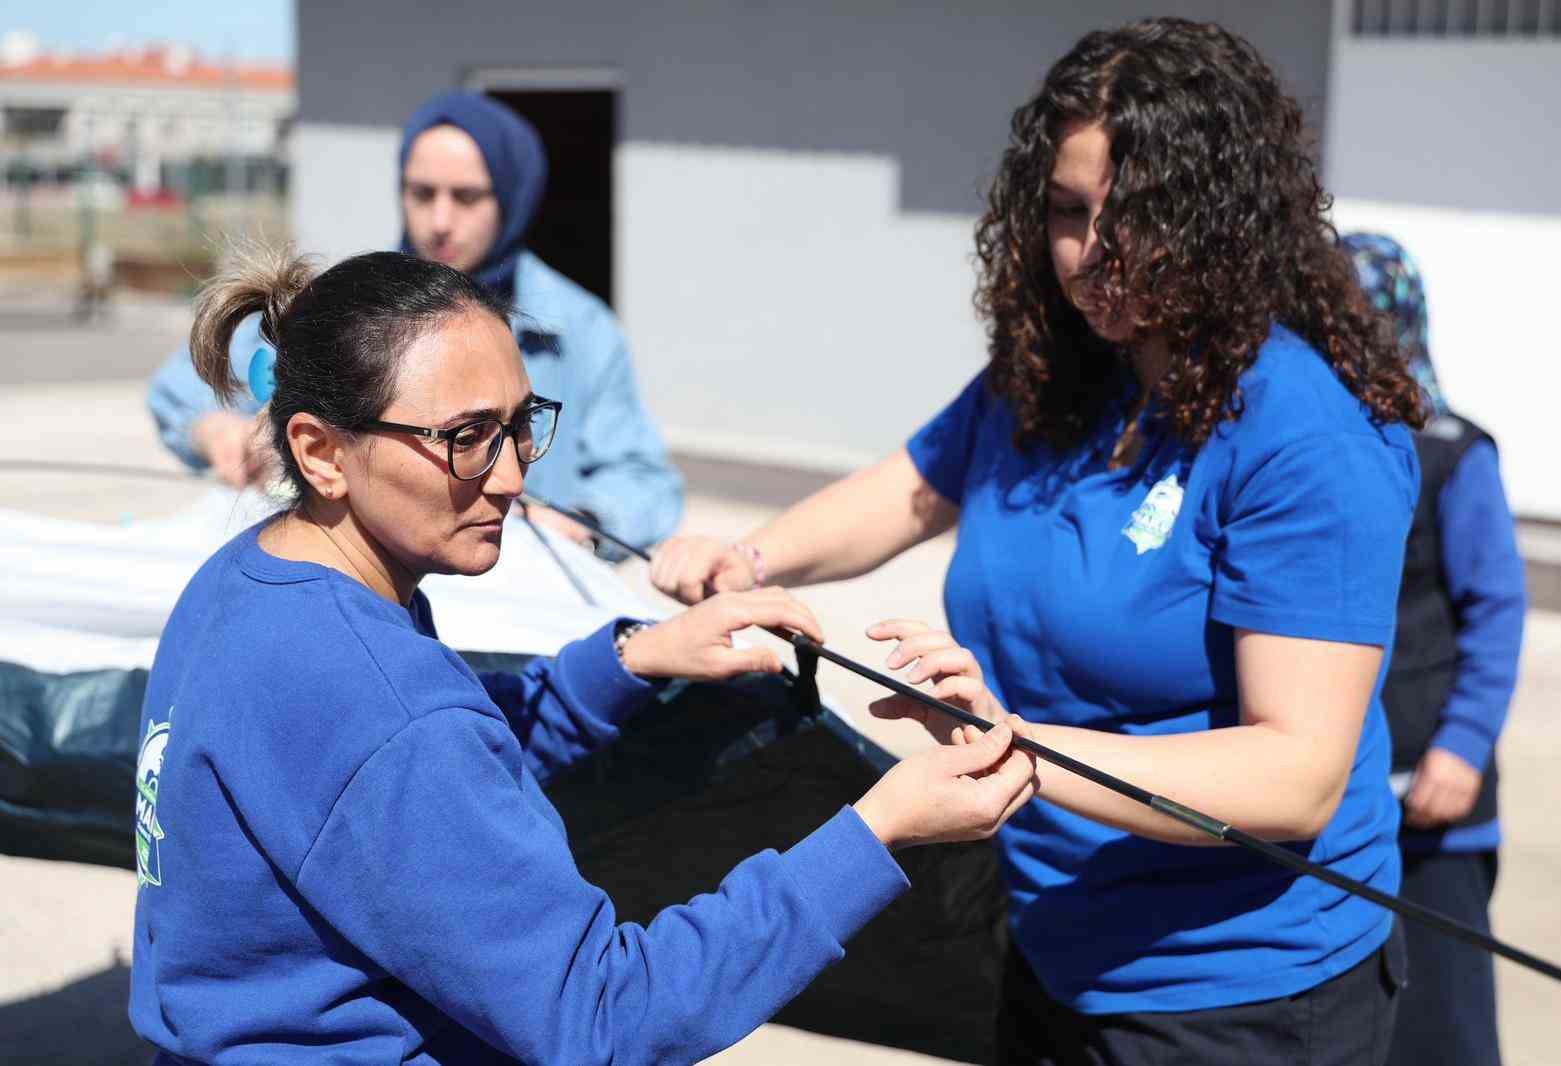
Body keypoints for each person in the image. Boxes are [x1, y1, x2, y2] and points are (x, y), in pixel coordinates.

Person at [650, 17, 1427, 1065]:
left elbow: (1295, 777)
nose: (1092, 256)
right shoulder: (1061, 373)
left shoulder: (1306, 435)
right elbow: (912, 487)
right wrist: (749, 562)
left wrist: (1016, 747)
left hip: (1238, 993)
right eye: (1066, 213)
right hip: (1052, 942)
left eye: (1136, 218)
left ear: (1224, 216)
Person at [128, 246, 1039, 1064]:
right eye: (465, 438)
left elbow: (416, 783)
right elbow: (601, 1016)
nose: (516, 474)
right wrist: (877, 831)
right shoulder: (383, 705)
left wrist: (637, 657)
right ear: (321, 452)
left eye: (522, 423)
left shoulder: (243, 587)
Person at [146, 90, 682, 560]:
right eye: (422, 194)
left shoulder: (579, 327)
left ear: (515, 198)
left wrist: (579, 524)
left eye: (467, 197)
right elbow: (184, 388)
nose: (440, 220)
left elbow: (645, 482)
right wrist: (215, 429)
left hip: (514, 609)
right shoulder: (356, 304)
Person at [1342, 233, 1528, 1066]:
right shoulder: (1307, 445)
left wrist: (1462, 748)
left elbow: (1497, 611)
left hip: (1432, 812)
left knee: (1443, 1032)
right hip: (1336, 811)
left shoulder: (1453, 453)